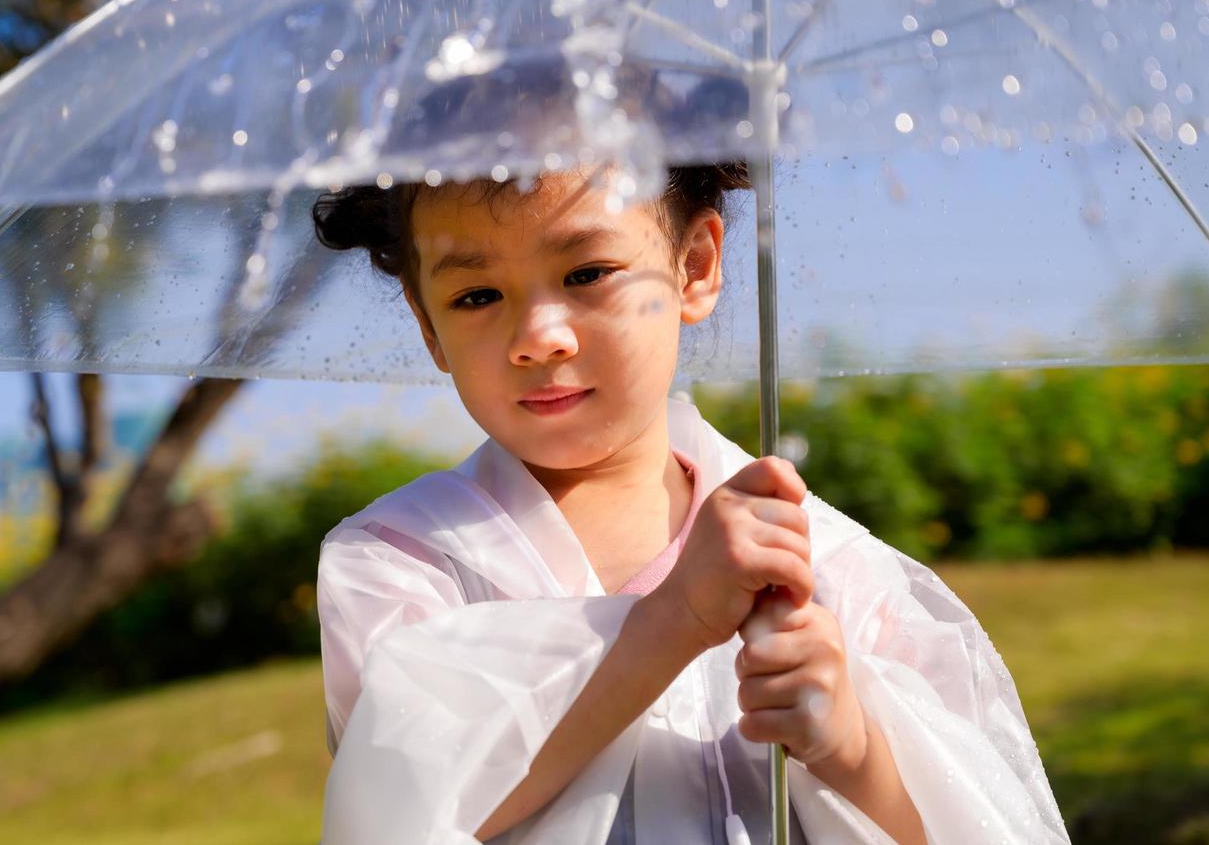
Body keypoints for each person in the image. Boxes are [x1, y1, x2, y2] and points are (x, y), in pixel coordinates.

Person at [308, 91, 1068, 843]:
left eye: (586, 274)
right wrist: (675, 618)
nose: (537, 337)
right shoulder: (400, 560)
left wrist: (853, 749)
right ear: (426, 323)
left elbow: (975, 822)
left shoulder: (825, 567)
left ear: (694, 265)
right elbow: (402, 805)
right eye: (476, 295)